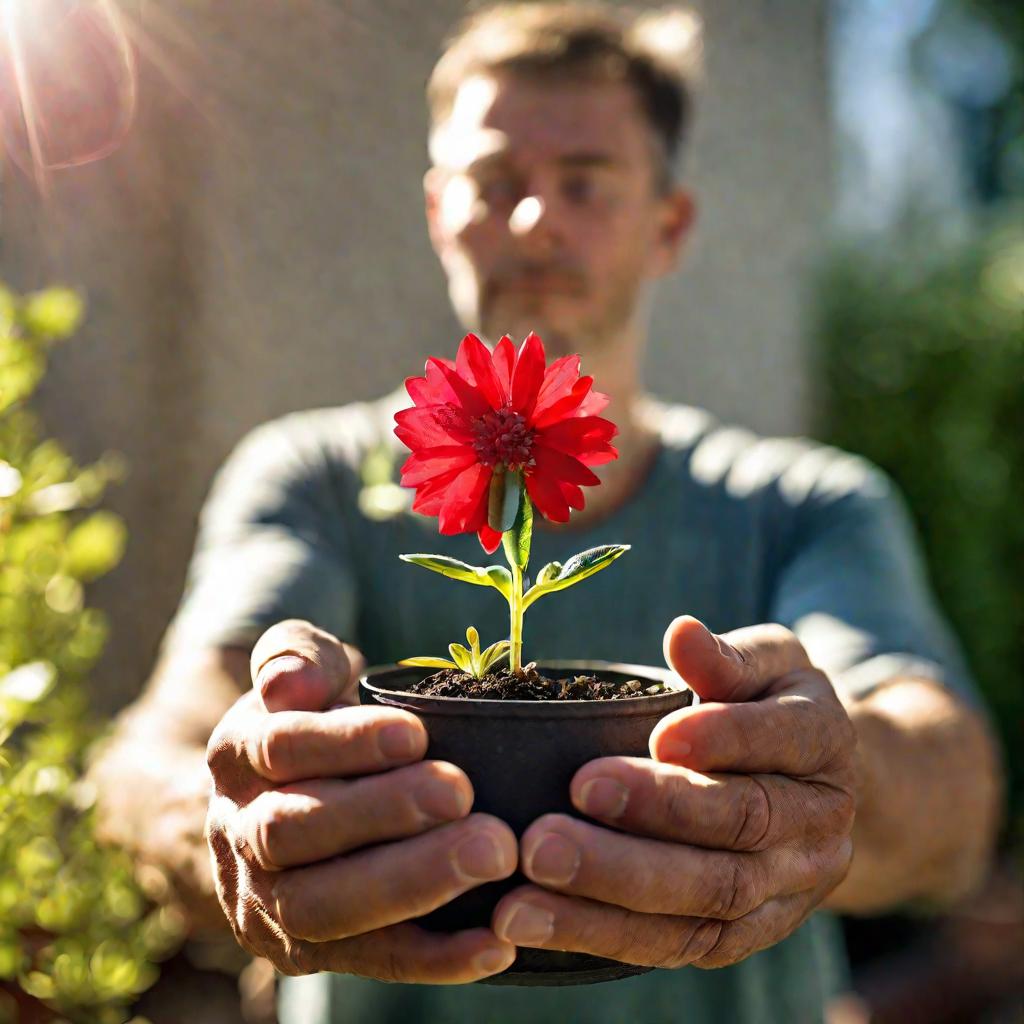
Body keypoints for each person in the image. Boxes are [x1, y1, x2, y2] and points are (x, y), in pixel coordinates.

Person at [88, 4, 1002, 1022]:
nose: (533, 220)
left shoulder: (804, 504)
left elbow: (951, 791)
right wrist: (226, 821)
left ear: (669, 225)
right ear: (440, 212)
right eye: (495, 181)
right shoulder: (307, 476)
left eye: (584, 183)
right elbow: (154, 751)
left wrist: (827, 783)